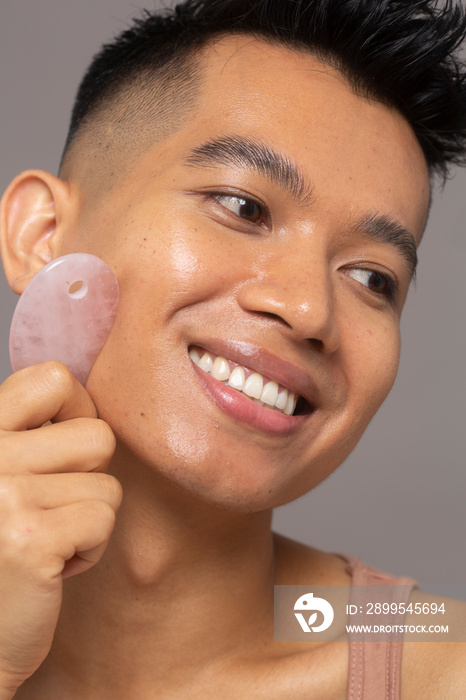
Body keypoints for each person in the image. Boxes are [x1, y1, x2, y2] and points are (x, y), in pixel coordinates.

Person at [0, 0, 465, 697]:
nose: (309, 309)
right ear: (41, 235)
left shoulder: (438, 667)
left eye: (373, 278)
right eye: (244, 208)